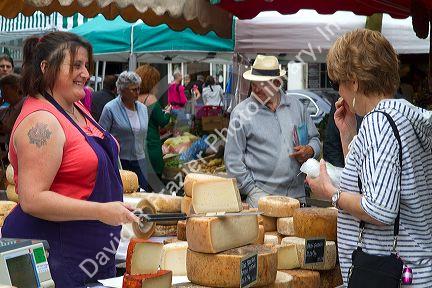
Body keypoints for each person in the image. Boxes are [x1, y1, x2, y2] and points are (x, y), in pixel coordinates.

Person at [1, 31, 139, 287]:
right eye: (76, 65)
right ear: (46, 67)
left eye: (86, 65)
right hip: (56, 257)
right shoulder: (41, 121)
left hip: (91, 254)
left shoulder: (75, 108)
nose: (86, 74)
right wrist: (101, 211)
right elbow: (32, 199)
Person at [306, 29, 432, 286]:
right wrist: (348, 132)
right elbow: (374, 180)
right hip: (414, 270)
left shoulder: (379, 123)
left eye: (337, 82)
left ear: (354, 82)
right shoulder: (403, 115)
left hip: (390, 274)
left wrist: (331, 192)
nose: (339, 91)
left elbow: (380, 208)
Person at [224, 55, 320, 207]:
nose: (255, 89)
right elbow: (233, 161)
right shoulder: (241, 113)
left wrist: (310, 150)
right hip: (261, 197)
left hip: (297, 196)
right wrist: (251, 190)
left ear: (276, 83)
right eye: (253, 84)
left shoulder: (297, 107)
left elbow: (314, 139)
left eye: (261, 84)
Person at [99, 71, 149, 191]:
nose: (137, 93)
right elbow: (101, 136)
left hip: (140, 160)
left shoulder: (143, 109)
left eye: (138, 89)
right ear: (122, 90)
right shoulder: (110, 108)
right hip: (119, 161)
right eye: (133, 89)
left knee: (141, 193)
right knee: (122, 194)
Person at [135, 64, 171, 192]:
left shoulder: (132, 99)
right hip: (151, 149)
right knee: (154, 190)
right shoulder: (151, 99)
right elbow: (163, 121)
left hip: (136, 150)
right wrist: (167, 112)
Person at [0, 73, 25, 162]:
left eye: (6, 89)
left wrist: (8, 129)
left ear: (17, 89)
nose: (3, 93)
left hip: (17, 156)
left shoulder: (25, 106)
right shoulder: (4, 110)